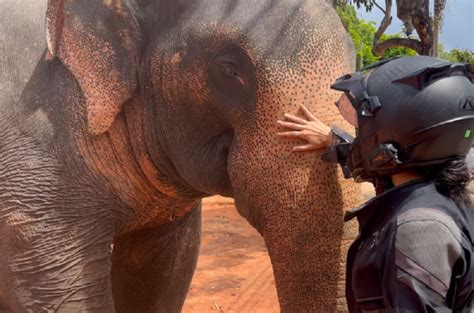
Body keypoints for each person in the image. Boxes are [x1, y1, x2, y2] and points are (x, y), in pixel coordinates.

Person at [278, 56, 474, 312]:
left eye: (364, 128)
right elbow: (389, 153)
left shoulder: (419, 229)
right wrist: (334, 140)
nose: (361, 135)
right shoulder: (441, 194)